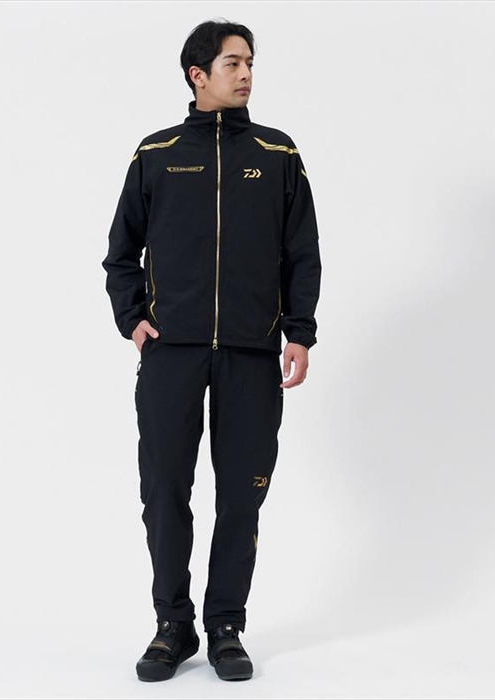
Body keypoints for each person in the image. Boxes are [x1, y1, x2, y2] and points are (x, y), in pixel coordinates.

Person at [101, 19, 321, 682]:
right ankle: (173, 624)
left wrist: (299, 332)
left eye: (249, 62)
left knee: (241, 496)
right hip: (172, 353)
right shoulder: (158, 153)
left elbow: (301, 253)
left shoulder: (277, 154)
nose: (246, 73)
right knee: (164, 489)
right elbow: (121, 253)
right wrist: (133, 319)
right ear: (198, 74)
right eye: (232, 63)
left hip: (251, 354)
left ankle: (226, 625)